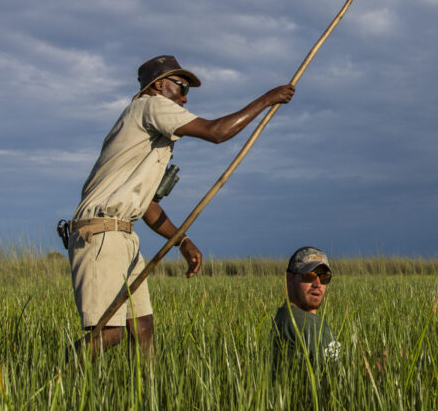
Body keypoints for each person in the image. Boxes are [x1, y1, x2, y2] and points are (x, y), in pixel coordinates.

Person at [67, 54, 295, 358]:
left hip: (122, 234)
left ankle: (147, 400)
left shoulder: (151, 134)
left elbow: (148, 208)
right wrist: (268, 99)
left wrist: (182, 242)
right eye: (181, 87)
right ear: (159, 85)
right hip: (101, 232)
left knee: (143, 329)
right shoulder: (150, 105)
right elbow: (216, 132)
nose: (185, 99)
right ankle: (62, 371)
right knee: (110, 332)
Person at [272, 246, 343, 367]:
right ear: (290, 278)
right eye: (309, 276)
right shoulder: (307, 325)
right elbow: (344, 372)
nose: (318, 284)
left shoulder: (282, 317)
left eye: (324, 277)